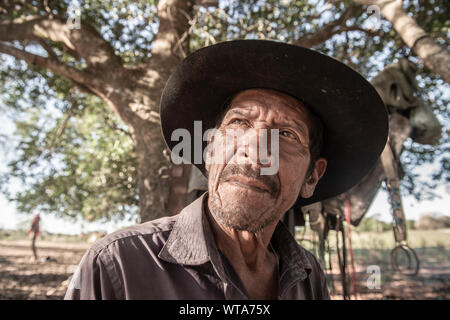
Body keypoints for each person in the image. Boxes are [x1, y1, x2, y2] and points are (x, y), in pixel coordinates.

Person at [65, 40, 388, 300]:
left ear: (312, 177)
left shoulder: (308, 275)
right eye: (239, 122)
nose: (256, 150)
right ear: (208, 150)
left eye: (287, 134)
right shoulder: (117, 264)